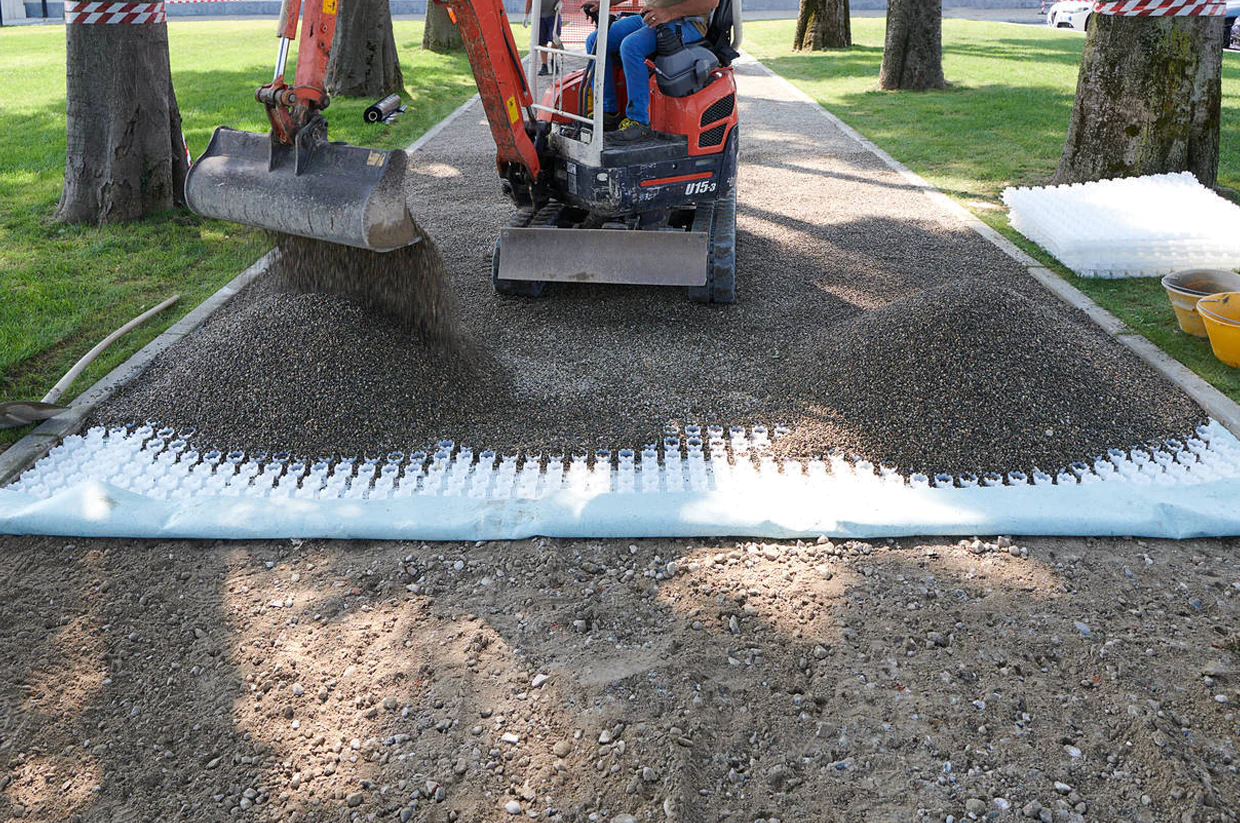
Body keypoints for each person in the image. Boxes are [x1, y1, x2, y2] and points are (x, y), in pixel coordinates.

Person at [583, 0, 719, 143]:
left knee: (631, 46)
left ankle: (639, 121)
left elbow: (711, 2)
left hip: (686, 23)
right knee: (595, 41)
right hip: (653, 17)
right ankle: (608, 112)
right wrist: (605, 3)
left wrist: (668, 13)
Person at [524, 0, 562, 76]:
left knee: (555, 39)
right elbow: (529, 1)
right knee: (542, 42)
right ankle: (544, 65)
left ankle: (553, 62)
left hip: (553, 15)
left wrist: (561, 2)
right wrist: (526, 15)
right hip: (539, 17)